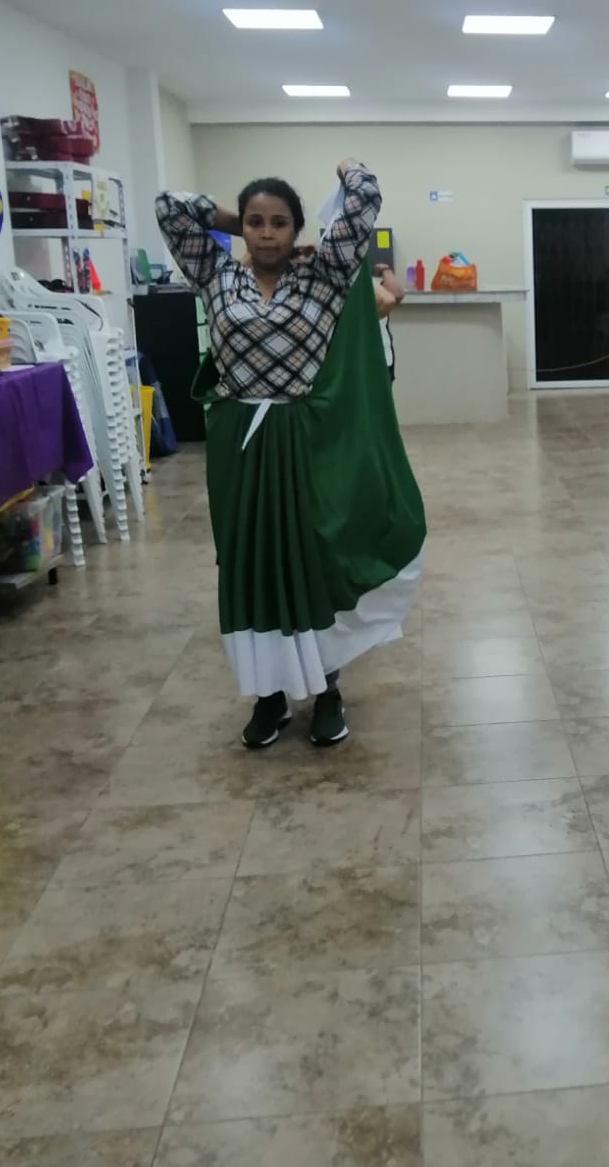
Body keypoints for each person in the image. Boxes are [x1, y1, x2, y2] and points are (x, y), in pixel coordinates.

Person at [155, 160, 426, 748]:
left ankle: (326, 690)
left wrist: (349, 170)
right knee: (248, 563)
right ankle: (269, 696)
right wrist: (238, 220)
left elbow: (364, 199)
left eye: (280, 223)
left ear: (297, 228)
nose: (267, 233)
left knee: (309, 560)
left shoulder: (323, 277)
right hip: (238, 446)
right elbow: (170, 207)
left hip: (303, 441)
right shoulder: (216, 275)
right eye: (256, 223)